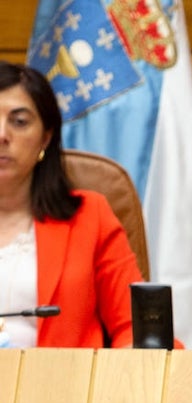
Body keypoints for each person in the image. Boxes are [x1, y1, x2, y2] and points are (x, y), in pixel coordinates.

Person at [0, 61, 139, 348]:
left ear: (45, 138)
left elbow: (134, 328)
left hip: (61, 387)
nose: (2, 135)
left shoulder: (89, 217)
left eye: (19, 121)